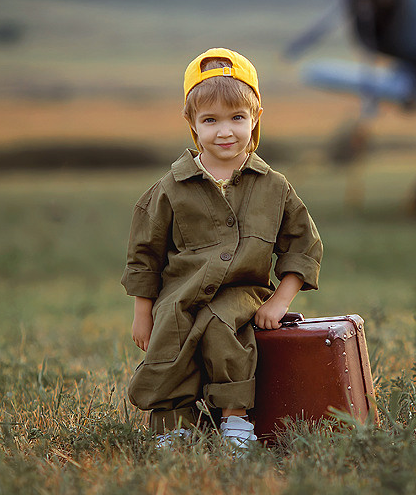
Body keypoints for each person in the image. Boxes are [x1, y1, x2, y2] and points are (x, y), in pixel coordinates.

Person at [121, 47, 322, 448]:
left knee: (222, 327)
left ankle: (235, 422)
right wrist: (144, 313)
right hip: (179, 294)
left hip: (243, 294)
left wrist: (279, 302)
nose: (224, 131)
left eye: (237, 118)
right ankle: (175, 428)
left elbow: (302, 244)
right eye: (210, 120)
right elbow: (145, 253)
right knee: (169, 342)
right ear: (191, 123)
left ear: (256, 118)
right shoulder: (170, 188)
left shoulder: (274, 186)